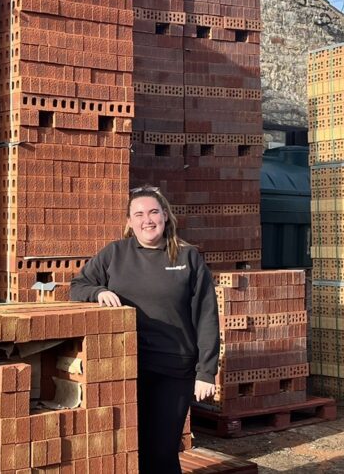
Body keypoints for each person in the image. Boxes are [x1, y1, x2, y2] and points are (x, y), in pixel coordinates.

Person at [70, 186, 220, 473]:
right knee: (130, 450)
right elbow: (77, 286)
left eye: (153, 212)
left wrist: (206, 372)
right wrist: (98, 292)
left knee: (162, 452)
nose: (147, 220)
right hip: (124, 368)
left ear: (165, 215)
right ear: (129, 222)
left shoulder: (188, 258)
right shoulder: (115, 253)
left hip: (174, 369)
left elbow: (206, 316)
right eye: (138, 214)